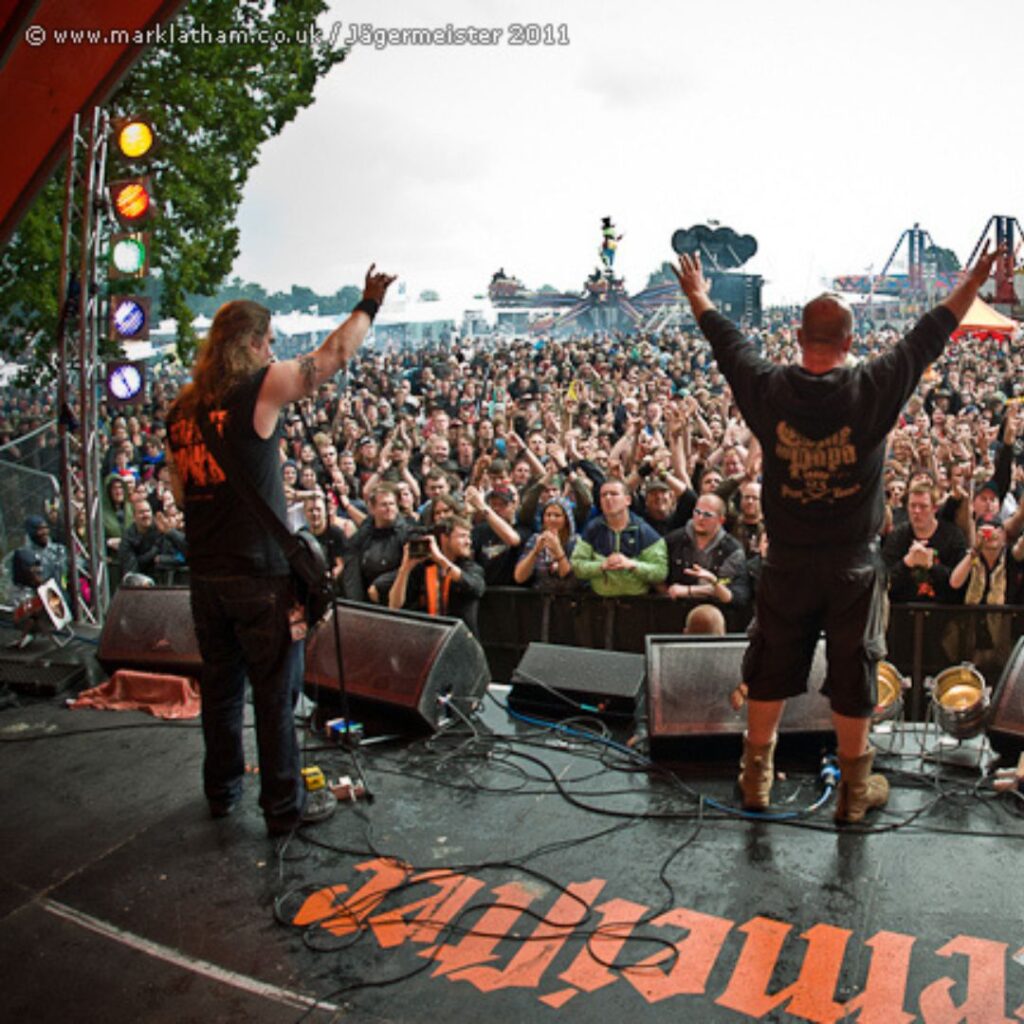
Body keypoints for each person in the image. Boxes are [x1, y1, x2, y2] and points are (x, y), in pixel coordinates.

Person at [671, 244, 1000, 823]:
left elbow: (727, 343)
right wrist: (973, 280)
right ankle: (853, 792)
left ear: (799, 336)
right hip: (852, 564)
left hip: (787, 562)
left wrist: (698, 294)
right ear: (849, 342)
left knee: (770, 664)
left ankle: (757, 778)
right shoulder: (872, 386)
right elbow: (931, 332)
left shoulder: (768, 387)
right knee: (854, 672)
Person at [166, 264, 395, 837]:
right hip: (259, 576)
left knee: (220, 690)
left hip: (206, 574)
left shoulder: (181, 411)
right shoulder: (260, 386)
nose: (272, 349)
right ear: (249, 343)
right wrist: (368, 304)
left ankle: (221, 793)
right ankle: (282, 807)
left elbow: (178, 491)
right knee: (274, 693)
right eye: (267, 340)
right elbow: (333, 355)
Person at [389, 516, 486, 637]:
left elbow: (475, 588)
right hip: (427, 639)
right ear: (444, 538)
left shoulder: (471, 568)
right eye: (462, 536)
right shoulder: (423, 568)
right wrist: (405, 569)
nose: (468, 542)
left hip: (459, 641)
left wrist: (441, 560)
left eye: (469, 536)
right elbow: (394, 605)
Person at [570, 477, 667, 596]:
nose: (608, 498)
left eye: (614, 494)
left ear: (628, 500)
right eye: (603, 495)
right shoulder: (593, 529)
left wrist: (632, 565)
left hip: (637, 603)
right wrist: (601, 566)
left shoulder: (644, 530)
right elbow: (577, 565)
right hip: (599, 603)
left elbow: (660, 571)